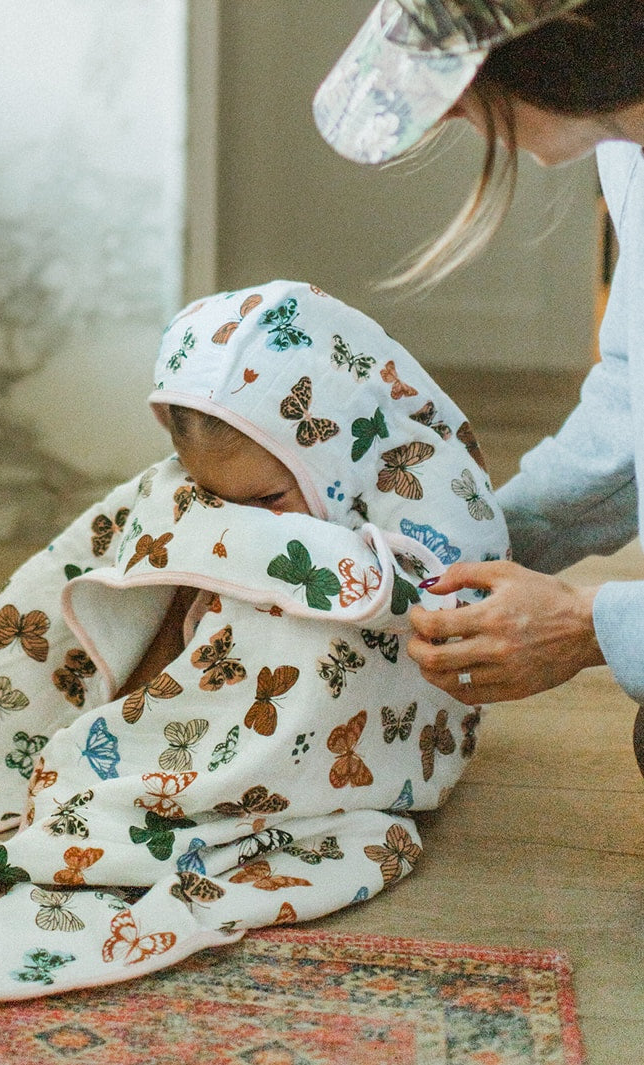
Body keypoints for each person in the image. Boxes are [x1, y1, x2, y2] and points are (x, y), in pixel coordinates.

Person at [0, 280, 508, 1002]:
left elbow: (453, 597)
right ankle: (110, 737)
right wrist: (221, 530)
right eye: (219, 496)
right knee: (159, 514)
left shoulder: (421, 476)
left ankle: (209, 780)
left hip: (371, 706)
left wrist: (275, 553)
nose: (246, 517)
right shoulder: (215, 485)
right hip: (227, 648)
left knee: (281, 581)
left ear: (326, 442)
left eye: (266, 497)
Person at [313, 0, 644, 771]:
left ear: (565, 42)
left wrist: (591, 624)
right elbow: (633, 404)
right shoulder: (627, 147)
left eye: (458, 81)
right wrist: (453, 551)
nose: (453, 111)